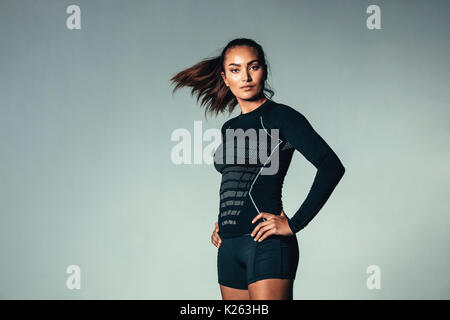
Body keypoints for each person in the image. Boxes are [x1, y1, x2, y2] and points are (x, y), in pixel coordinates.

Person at [170, 38, 345, 300]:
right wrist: (225, 220)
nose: (246, 77)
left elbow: (331, 167)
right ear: (225, 77)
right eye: (235, 69)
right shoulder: (228, 128)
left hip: (266, 245)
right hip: (228, 247)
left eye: (253, 67)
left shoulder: (281, 117)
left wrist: (294, 224)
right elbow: (234, 179)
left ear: (264, 70)